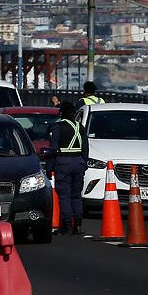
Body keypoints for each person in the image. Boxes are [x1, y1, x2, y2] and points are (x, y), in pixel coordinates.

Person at [49, 101, 88, 235]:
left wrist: (50, 167)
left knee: (64, 196)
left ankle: (66, 226)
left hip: (63, 163)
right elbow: (85, 149)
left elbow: (53, 150)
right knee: (76, 196)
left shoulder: (58, 127)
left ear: (61, 113)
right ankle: (78, 224)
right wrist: (84, 163)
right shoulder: (80, 127)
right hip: (78, 162)